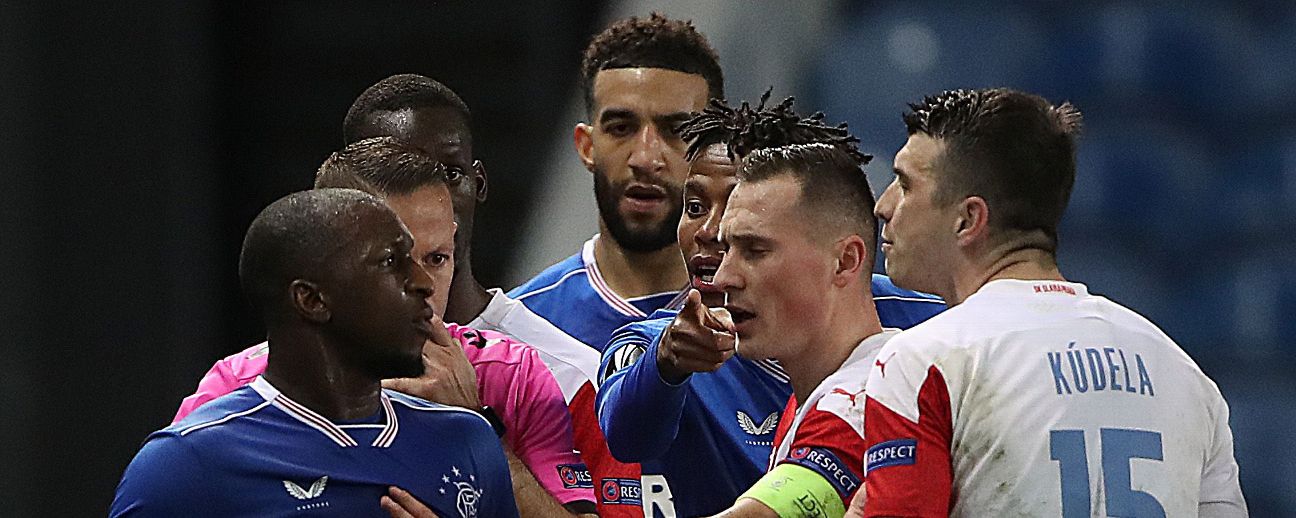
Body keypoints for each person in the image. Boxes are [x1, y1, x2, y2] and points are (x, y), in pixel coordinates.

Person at [858, 88, 1247, 517]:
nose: (883, 205)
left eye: (905, 184)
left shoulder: (925, 360)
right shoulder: (1184, 373)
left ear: (967, 220)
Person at [172, 138, 594, 516]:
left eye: (438, 258)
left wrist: (479, 427)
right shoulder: (231, 392)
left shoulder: (514, 377)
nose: (424, 284)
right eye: (392, 260)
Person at [596, 95, 944, 517]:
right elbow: (624, 434)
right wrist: (666, 362)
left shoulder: (884, 381)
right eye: (694, 207)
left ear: (845, 261)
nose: (709, 237)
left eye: (755, 248)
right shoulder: (665, 342)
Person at [111, 189, 517, 517]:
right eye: (391, 262)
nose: (422, 283)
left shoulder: (468, 440)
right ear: (311, 300)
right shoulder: (185, 466)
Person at [506, 14, 724, 515]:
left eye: (677, 131)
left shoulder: (770, 320)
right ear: (586, 145)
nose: (646, 156)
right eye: (622, 127)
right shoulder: (520, 332)